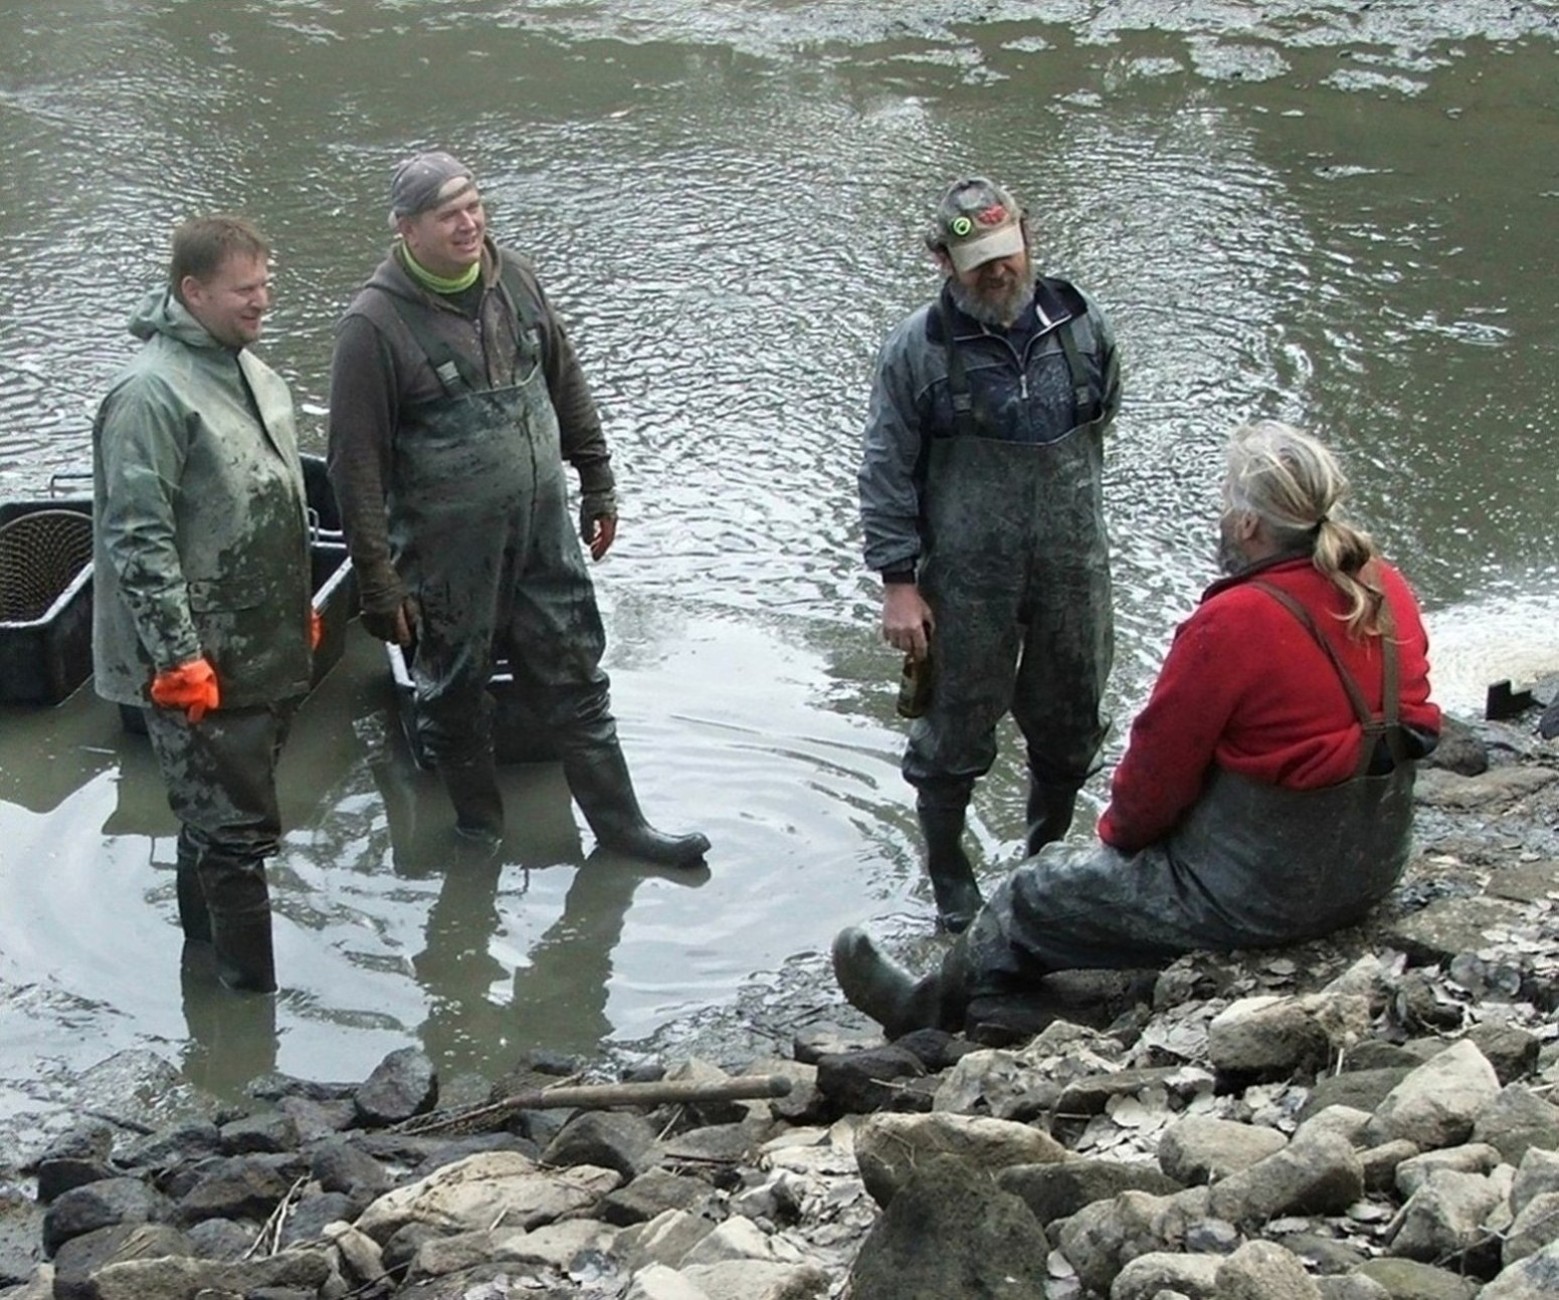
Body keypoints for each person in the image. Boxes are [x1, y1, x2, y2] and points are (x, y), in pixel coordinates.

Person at [834, 421, 1442, 1038]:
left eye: (1226, 502)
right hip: (1373, 868)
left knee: (1031, 892)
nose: (1222, 517)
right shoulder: (1384, 584)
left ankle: (924, 1009)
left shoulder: (1231, 621)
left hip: (1264, 898)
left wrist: (1115, 851)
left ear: (1248, 524)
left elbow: (1154, 780)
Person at [326, 150, 708, 863]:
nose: (469, 224)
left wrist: (597, 478)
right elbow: (355, 467)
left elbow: (567, 382)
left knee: (576, 676)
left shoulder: (517, 280)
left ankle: (623, 829)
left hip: (542, 533)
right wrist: (377, 581)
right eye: (448, 215)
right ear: (406, 229)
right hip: (445, 555)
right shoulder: (372, 328)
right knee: (453, 696)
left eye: (474, 206)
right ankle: (480, 832)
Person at [859, 175, 1122, 933]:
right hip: (965, 577)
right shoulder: (916, 350)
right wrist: (899, 583)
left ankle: (1042, 860)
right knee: (951, 733)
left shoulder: (1081, 323)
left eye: (1008, 253)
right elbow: (885, 467)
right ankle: (949, 874)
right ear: (943, 261)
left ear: (1028, 238)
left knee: (1071, 723)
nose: (998, 271)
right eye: (978, 262)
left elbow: (1104, 417)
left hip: (1074, 566)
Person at [93, 215, 315, 994]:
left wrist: (294, 601)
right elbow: (137, 539)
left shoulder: (249, 369)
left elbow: (271, 494)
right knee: (235, 835)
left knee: (213, 820)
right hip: (196, 659)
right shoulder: (149, 394)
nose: (262, 300)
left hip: (259, 640)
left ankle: (202, 970)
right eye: (244, 289)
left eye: (265, 284)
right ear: (192, 292)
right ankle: (254, 1017)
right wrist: (177, 657)